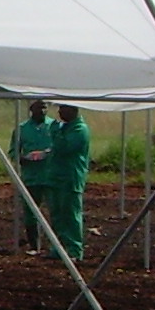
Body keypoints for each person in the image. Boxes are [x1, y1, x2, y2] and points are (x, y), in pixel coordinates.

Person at [46, 103, 91, 260]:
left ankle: (74, 250)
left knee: (70, 215)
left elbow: (64, 147)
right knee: (57, 214)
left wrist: (55, 131)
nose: (59, 111)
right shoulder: (63, 128)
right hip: (56, 177)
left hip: (70, 178)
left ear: (73, 109)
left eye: (63, 108)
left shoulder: (80, 129)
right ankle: (58, 248)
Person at [12, 99, 59, 251]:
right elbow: (13, 152)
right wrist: (24, 158)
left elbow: (59, 148)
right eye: (39, 108)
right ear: (31, 108)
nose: (42, 111)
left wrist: (46, 153)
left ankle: (57, 246)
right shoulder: (22, 128)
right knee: (31, 211)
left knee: (55, 210)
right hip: (31, 177)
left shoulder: (54, 126)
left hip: (51, 176)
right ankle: (34, 245)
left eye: (45, 107)